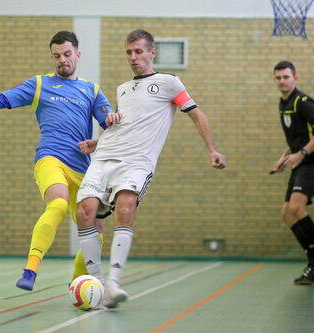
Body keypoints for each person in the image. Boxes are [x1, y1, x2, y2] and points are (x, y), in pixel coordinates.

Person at [0, 31, 112, 291]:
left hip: (83, 168)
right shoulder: (39, 84)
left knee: (96, 229)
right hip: (50, 157)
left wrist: (99, 141)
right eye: (57, 56)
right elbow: (0, 100)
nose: (63, 60)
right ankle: (31, 270)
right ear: (52, 57)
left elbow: (112, 127)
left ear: (77, 55)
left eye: (67, 54)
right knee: (57, 204)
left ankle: (77, 282)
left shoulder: (91, 90)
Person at [75, 29, 227, 308]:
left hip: (137, 162)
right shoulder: (123, 88)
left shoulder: (169, 83)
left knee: (125, 205)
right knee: (84, 210)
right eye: (129, 52)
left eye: (138, 51)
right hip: (106, 155)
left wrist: (212, 150)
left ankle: (114, 281)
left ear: (151, 52)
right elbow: (127, 126)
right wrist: (97, 142)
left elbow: (196, 114)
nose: (133, 57)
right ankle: (97, 285)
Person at [271, 60, 314, 285]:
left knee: (296, 207)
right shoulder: (283, 103)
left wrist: (302, 154)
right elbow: (296, 139)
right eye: (278, 78)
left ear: (295, 78)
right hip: (299, 161)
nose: (282, 81)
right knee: (287, 213)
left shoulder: (303, 102)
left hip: (313, 161)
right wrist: (285, 156)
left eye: (286, 77)